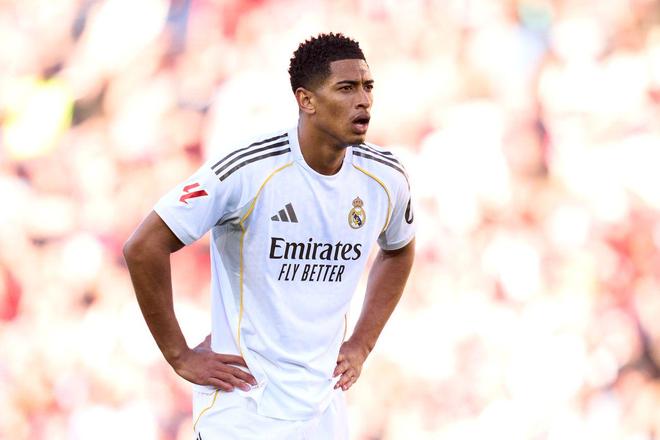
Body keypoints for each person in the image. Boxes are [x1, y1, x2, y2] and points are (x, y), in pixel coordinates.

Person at [123, 32, 415, 439]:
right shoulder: (249, 168)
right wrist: (180, 355)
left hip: (323, 409)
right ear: (306, 100)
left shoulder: (385, 177)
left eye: (368, 87)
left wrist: (362, 343)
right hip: (244, 409)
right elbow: (143, 247)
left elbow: (398, 250)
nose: (363, 100)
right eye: (346, 88)